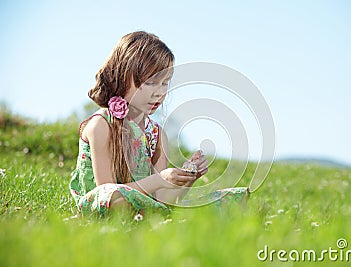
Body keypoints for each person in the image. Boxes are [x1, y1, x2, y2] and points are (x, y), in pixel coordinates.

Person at [69, 31, 249, 219]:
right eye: (151, 83)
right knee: (113, 194)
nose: (160, 93)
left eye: (165, 83)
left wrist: (186, 179)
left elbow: (161, 199)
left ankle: (164, 219)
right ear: (122, 76)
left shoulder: (156, 134)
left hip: (143, 210)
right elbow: (105, 192)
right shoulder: (101, 125)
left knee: (228, 198)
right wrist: (159, 179)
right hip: (107, 205)